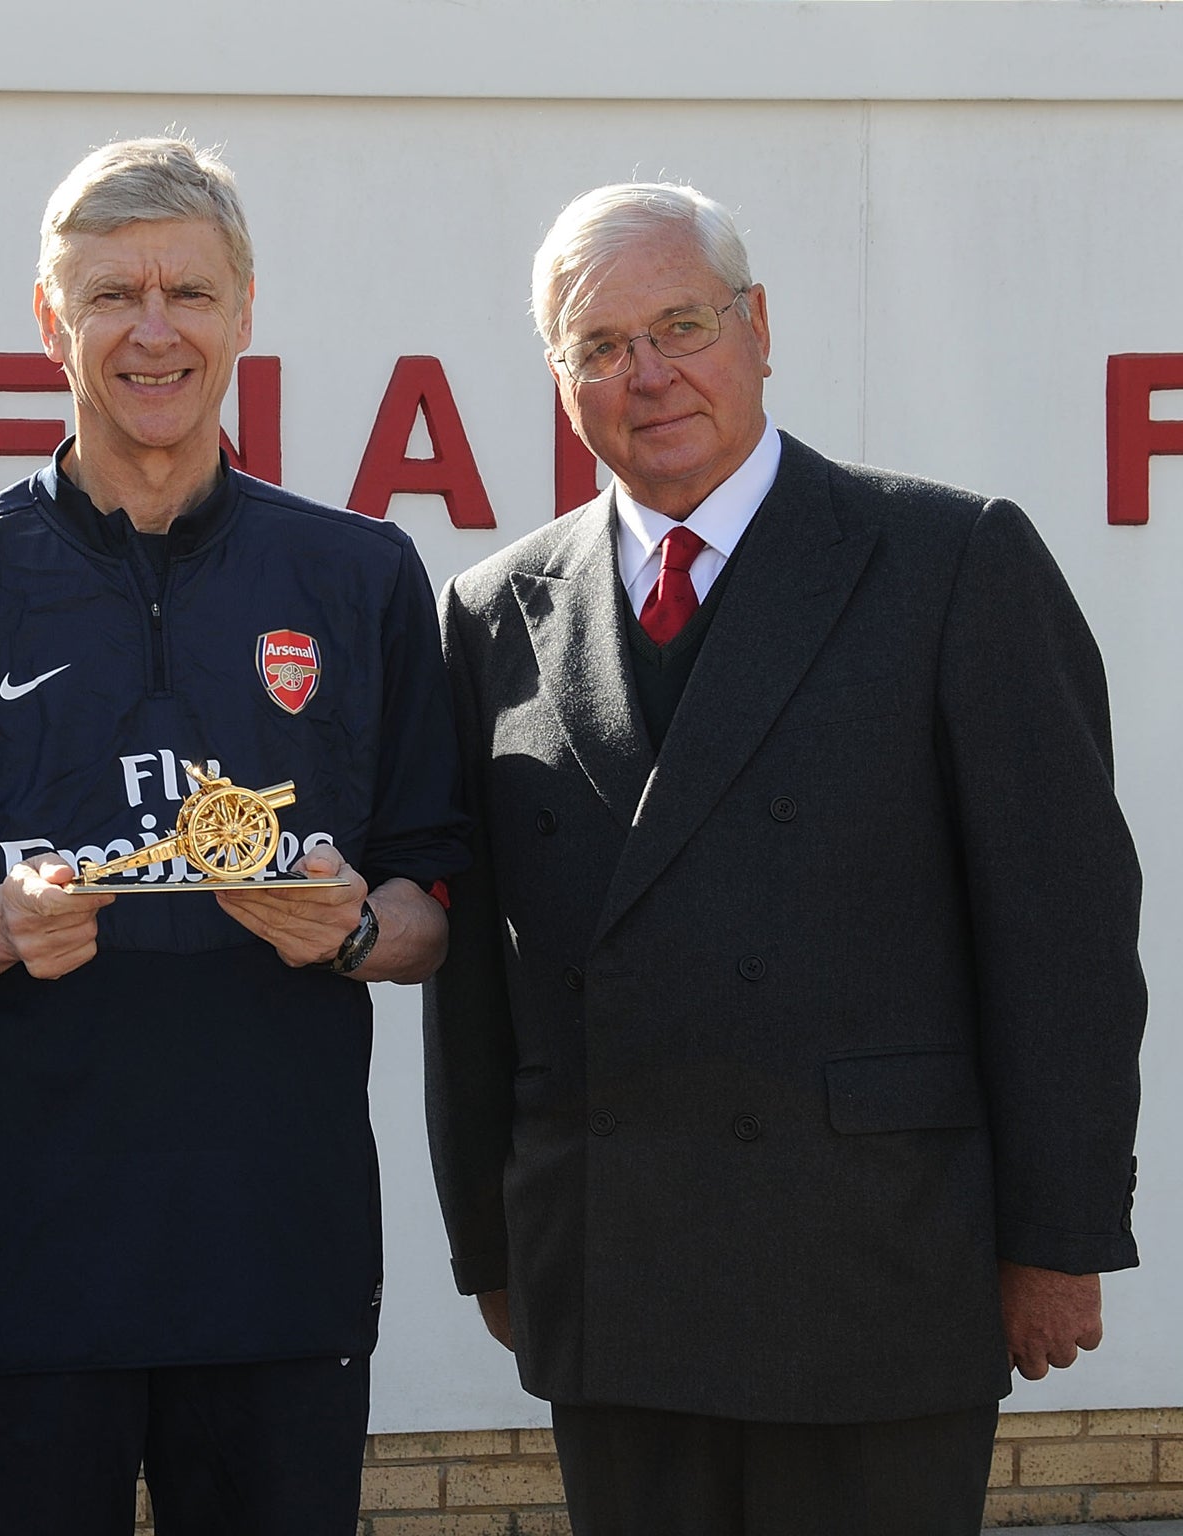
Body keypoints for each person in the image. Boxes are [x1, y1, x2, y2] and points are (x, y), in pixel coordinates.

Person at [424, 180, 1146, 1536]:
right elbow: (475, 976)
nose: (648, 374)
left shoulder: (947, 560)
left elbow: (1062, 931)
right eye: (599, 346)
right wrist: (493, 1234)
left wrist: (1059, 1237)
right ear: (560, 380)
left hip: (873, 1269)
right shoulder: (489, 614)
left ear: (759, 329)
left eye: (682, 324)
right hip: (615, 1267)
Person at [0, 137, 468, 1536]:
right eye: (112, 293)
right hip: (16, 1259)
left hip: (274, 1258)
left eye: (188, 289)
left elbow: (433, 910)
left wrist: (353, 928)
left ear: (247, 309)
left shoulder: (357, 577)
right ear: (49, 321)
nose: (153, 328)